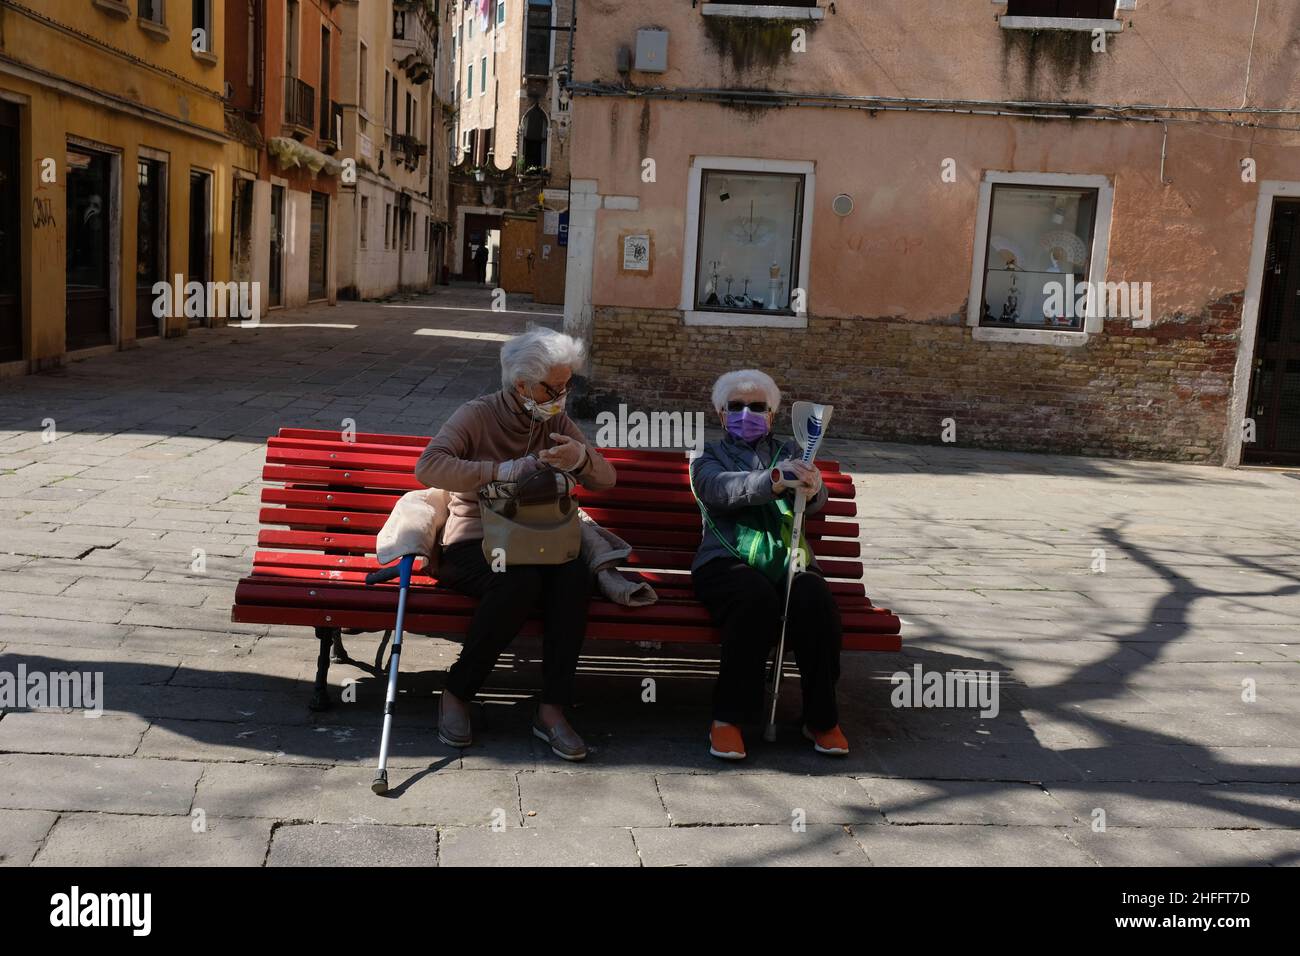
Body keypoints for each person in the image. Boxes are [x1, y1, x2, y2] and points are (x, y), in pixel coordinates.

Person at [415, 327, 616, 760]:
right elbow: (429, 466)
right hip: (475, 540)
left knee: (573, 579)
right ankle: (457, 692)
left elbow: (607, 479)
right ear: (522, 384)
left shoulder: (555, 420)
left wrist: (580, 459)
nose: (562, 395)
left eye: (566, 386)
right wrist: (501, 472)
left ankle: (551, 709)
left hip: (541, 537)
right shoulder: (477, 414)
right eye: (554, 387)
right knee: (518, 580)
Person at [689, 369, 848, 761]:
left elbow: (816, 501)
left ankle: (821, 719)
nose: (747, 413)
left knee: (814, 596)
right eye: (736, 407)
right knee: (754, 598)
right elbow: (718, 490)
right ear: (721, 414)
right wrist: (773, 480)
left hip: (786, 557)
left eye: (757, 406)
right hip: (726, 562)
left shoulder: (795, 453)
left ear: (773, 414)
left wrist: (813, 488)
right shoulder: (708, 455)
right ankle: (729, 720)